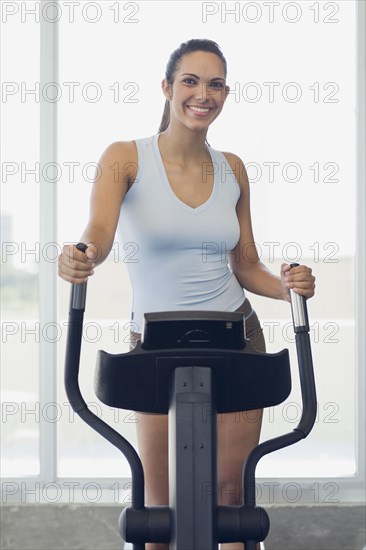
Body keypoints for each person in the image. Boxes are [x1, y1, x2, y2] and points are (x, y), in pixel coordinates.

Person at [58, 39, 315, 550]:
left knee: (229, 507)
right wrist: (81, 254)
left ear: (226, 93)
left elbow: (245, 266)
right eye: (191, 81)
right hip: (155, 342)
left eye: (216, 83)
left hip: (235, 337)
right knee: (159, 512)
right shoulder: (125, 158)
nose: (204, 94)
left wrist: (288, 287)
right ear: (168, 88)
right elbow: (100, 233)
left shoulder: (233, 168)